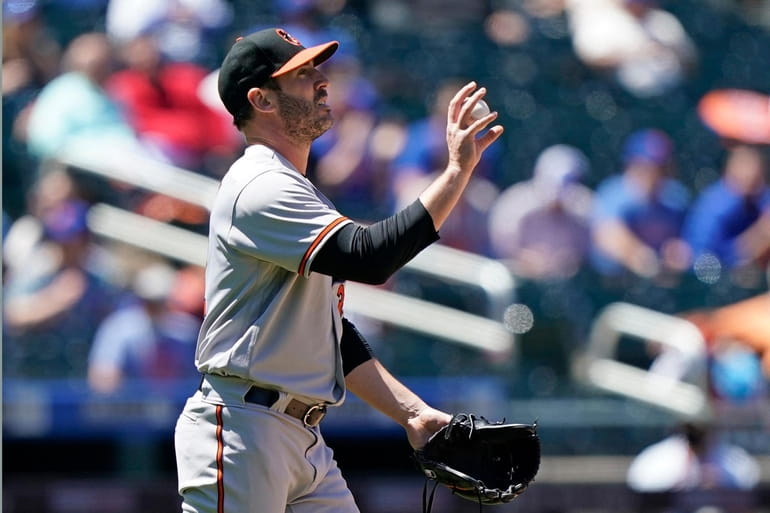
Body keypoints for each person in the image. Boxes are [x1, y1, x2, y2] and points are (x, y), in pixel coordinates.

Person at [173, 27, 503, 513]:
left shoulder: (295, 188)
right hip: (243, 428)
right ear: (262, 99)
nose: (321, 81)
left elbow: (328, 334)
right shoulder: (260, 183)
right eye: (302, 75)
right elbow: (369, 257)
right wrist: (454, 174)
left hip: (300, 436)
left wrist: (414, 415)